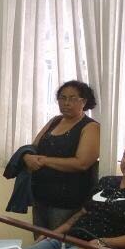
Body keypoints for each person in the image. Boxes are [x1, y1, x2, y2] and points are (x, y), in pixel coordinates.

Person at [26, 138, 125, 249]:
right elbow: (82, 213)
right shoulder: (107, 181)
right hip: (69, 237)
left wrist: (103, 242)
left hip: (99, 248)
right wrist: (53, 234)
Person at [24, 80, 101, 230]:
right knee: (39, 243)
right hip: (40, 195)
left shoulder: (91, 127)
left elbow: (82, 163)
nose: (66, 103)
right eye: (62, 98)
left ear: (84, 101)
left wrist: (45, 161)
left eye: (73, 99)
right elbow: (34, 147)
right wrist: (27, 156)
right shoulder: (55, 121)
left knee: (56, 246)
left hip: (68, 201)